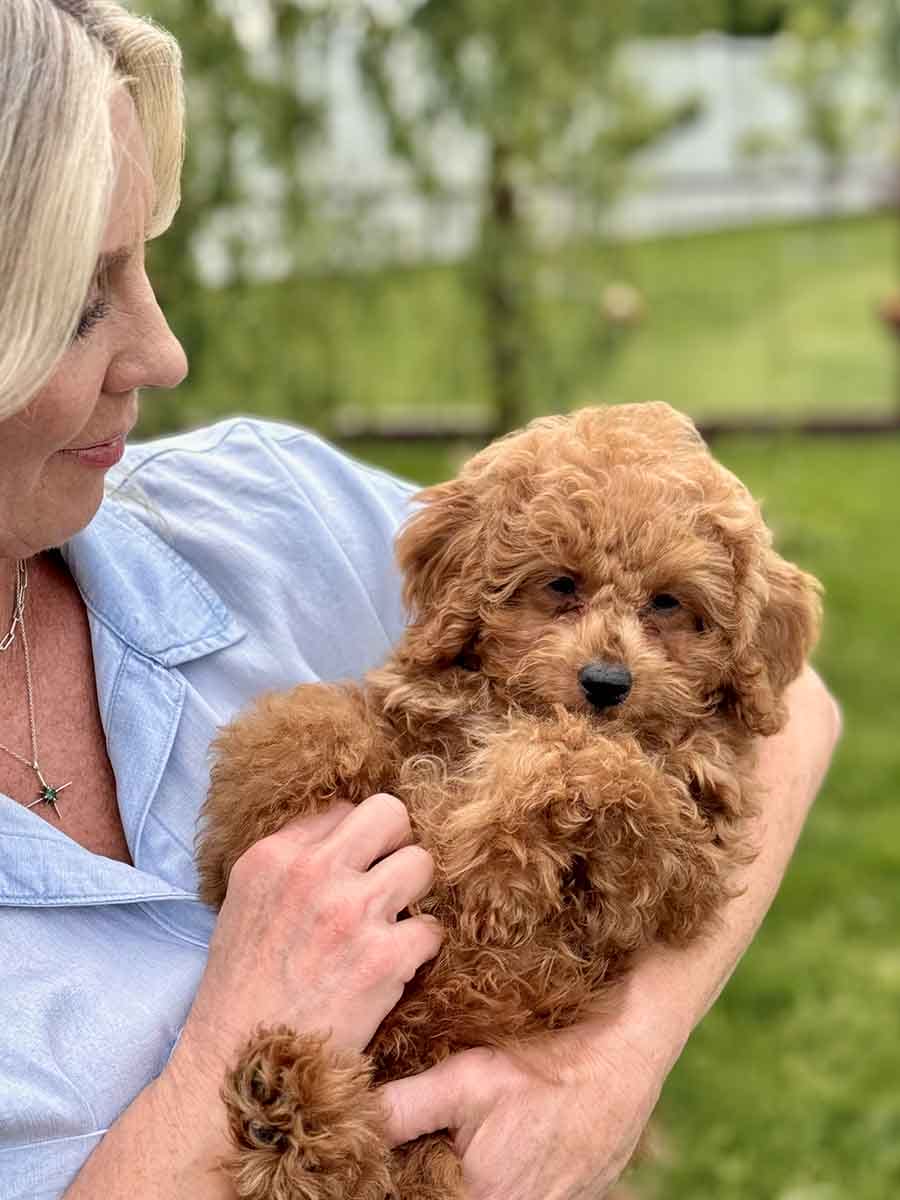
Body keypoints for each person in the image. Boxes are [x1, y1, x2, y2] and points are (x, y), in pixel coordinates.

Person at [0, 4, 841, 1199]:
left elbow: (789, 704)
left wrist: (603, 1070)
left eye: (147, 263)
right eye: (79, 302)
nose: (167, 351)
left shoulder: (264, 510)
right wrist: (226, 1054)